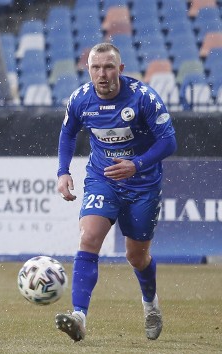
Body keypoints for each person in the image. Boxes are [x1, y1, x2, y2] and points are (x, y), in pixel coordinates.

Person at [55, 42, 177, 342]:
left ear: (120, 69)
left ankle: (150, 305)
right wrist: (63, 171)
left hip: (142, 184)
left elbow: (169, 142)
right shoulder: (80, 100)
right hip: (103, 178)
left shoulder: (143, 98)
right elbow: (68, 133)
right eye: (96, 67)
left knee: (136, 256)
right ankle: (79, 316)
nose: (102, 74)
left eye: (109, 67)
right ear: (88, 70)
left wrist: (136, 165)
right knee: (89, 237)